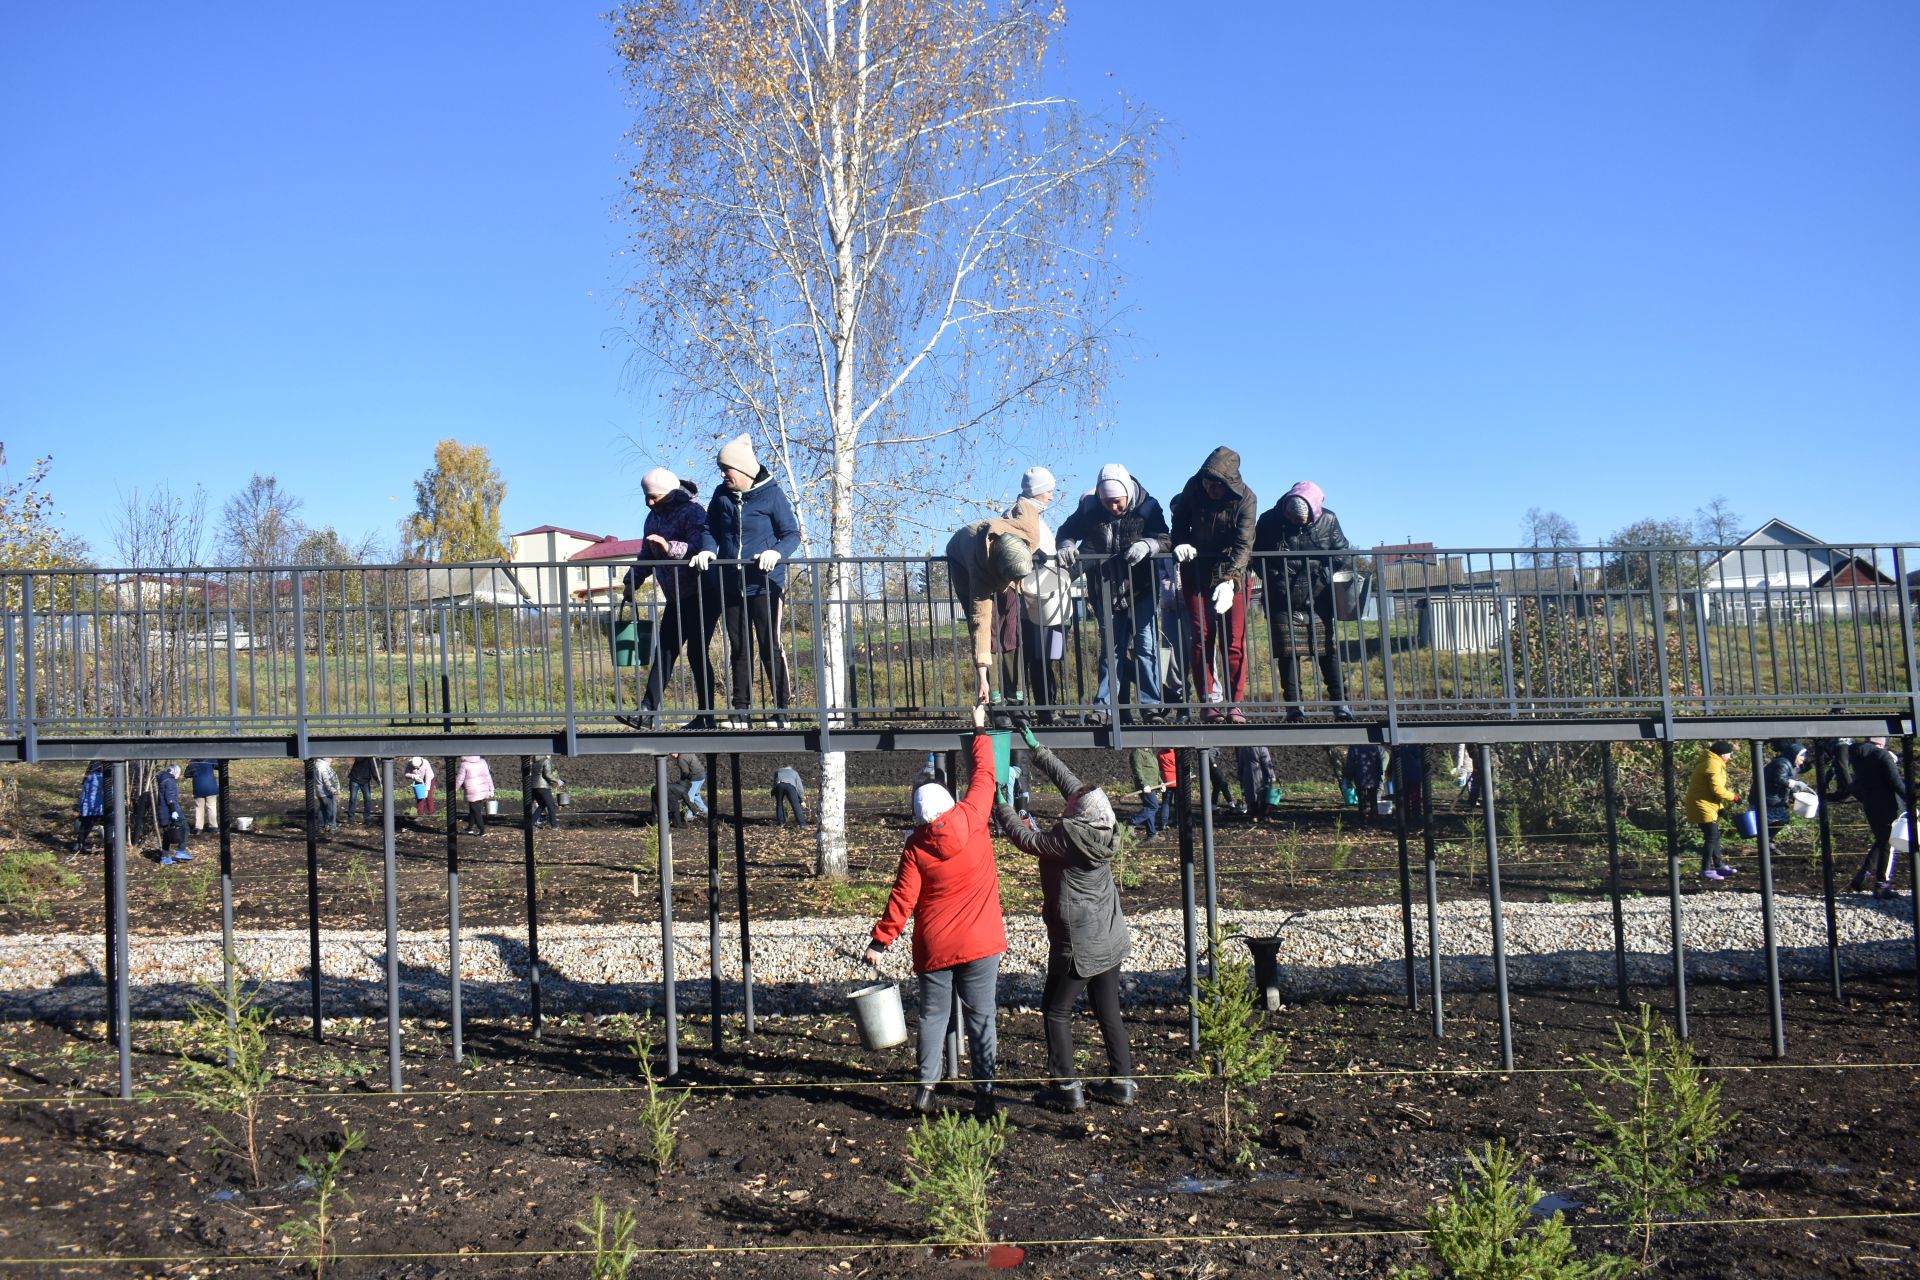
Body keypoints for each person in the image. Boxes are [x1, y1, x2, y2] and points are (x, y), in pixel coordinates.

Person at [863, 704, 1006, 1117]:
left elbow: (903, 898)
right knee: (982, 1018)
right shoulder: (973, 816)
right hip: (980, 943)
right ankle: (985, 1094)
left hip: (936, 946)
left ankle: (925, 1089)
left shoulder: (916, 846)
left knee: (932, 1016)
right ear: (949, 801)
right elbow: (985, 774)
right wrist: (979, 727)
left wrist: (880, 941)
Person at [994, 721, 1135, 1111]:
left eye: (1071, 807)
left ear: (1080, 816)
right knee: (1108, 1009)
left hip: (1079, 944)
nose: (1066, 803)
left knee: (1055, 1011)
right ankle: (1122, 1083)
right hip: (1110, 936)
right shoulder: (1100, 824)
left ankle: (1066, 1088)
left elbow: (1027, 840)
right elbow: (1070, 783)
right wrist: (1036, 747)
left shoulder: (1069, 838)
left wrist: (1001, 802)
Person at [691, 435, 801, 727]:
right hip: (730, 583)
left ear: (743, 471)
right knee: (739, 647)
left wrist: (775, 553)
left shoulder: (772, 494)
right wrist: (706, 549)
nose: (723, 474)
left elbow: (791, 534)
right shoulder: (721, 495)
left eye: (726, 469)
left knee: (770, 645)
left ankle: (781, 712)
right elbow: (708, 528)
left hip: (765, 583)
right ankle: (741, 712)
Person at [1056, 463, 1172, 722]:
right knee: (1112, 649)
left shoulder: (1148, 507)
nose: (1113, 507)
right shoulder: (1089, 509)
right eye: (1107, 502)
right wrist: (1065, 545)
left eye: (1118, 502)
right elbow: (1066, 532)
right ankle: (1104, 706)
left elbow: (1165, 538)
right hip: (1105, 590)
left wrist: (1148, 544)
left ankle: (1150, 705)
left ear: (1128, 495)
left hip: (1141, 588)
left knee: (1146, 647)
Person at [625, 467, 720, 729]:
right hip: (676, 597)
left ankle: (707, 717)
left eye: (654, 497)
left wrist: (669, 548)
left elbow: (701, 548)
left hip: (703, 593)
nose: (649, 502)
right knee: (665, 651)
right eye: (646, 497)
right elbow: (646, 556)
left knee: (696, 653)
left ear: (669, 493)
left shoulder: (693, 511)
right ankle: (646, 711)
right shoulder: (651, 519)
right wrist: (631, 581)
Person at [1253, 481, 1353, 721]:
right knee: (1288, 654)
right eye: (1293, 519)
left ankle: (1341, 705)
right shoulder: (1269, 520)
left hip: (1319, 597)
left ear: (1314, 511)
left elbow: (1342, 552)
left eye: (1304, 521)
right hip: (1281, 597)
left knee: (1328, 651)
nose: (1300, 524)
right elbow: (1256, 557)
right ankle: (1294, 707)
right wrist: (1274, 576)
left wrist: (1326, 574)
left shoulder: (1328, 520)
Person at [1170, 448, 1257, 722]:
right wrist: (1181, 543)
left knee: (1234, 640)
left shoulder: (1246, 498)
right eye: (1207, 483)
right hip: (1196, 569)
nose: (1209, 490)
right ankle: (1209, 701)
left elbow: (1245, 543)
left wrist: (1231, 580)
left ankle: (1235, 703)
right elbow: (1180, 521)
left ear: (1227, 484)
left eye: (1215, 486)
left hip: (1233, 571)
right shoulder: (1193, 487)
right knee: (1201, 637)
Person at [945, 501, 1044, 705]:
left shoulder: (1030, 533)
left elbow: (1025, 505)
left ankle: (1015, 691)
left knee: (1010, 622)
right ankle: (993, 691)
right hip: (961, 559)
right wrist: (981, 678)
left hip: (1004, 549)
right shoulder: (979, 572)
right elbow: (978, 627)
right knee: (988, 627)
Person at [1012, 467, 1070, 722]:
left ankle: (1042, 709)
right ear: (1038, 491)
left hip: (1039, 598)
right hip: (1028, 600)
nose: (1051, 496)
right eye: (1049, 490)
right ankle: (1038, 710)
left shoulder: (1033, 516)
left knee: (1041, 656)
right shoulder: (1021, 515)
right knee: (1034, 657)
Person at [1846, 736, 1908, 898]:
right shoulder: (1882, 756)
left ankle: (1862, 876)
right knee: (1889, 842)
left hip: (1871, 806)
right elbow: (1895, 782)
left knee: (1882, 840)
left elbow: (1856, 783)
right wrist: (1911, 798)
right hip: (1889, 806)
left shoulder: (1858, 757)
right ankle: (1882, 884)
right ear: (1882, 743)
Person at [1684, 741, 1742, 882]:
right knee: (1711, 836)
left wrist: (1720, 808)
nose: (1730, 756)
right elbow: (1717, 790)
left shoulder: (1712, 762)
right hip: (1701, 805)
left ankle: (1719, 866)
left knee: (1713, 835)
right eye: (1729, 753)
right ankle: (1706, 870)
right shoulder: (1713, 764)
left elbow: (1709, 791)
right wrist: (1734, 797)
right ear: (1722, 754)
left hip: (1705, 804)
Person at [1760, 741, 1815, 830]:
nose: (1801, 763)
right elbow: (1779, 779)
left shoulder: (1789, 765)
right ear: (1795, 755)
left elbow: (1786, 781)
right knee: (1780, 819)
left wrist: (1793, 792)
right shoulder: (1782, 764)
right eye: (1801, 760)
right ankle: (1767, 840)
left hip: (1773, 798)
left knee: (1781, 820)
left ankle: (1767, 839)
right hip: (1769, 799)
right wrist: (1795, 784)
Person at [1128, 747, 1173, 838]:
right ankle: (1131, 822)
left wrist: (1160, 782)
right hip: (1146, 786)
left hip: (1152, 785)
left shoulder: (1149, 752)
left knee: (1149, 808)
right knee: (1153, 806)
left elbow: (1155, 770)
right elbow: (1137, 770)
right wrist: (1144, 784)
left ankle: (1152, 834)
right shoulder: (1138, 753)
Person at [454, 755, 494, 837]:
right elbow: (488, 776)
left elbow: (460, 779)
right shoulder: (482, 762)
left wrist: (454, 789)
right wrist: (491, 789)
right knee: (473, 808)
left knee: (476, 810)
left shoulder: (464, 765)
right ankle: (470, 828)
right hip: (482, 788)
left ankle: (482, 830)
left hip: (472, 790)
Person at [1344, 744, 1384, 826]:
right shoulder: (1374, 746)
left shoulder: (1354, 747)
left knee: (1362, 799)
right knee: (1373, 799)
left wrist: (1348, 776)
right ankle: (1374, 818)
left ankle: (1363, 818)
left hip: (1360, 776)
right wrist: (1380, 773)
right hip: (1373, 776)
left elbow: (1350, 763)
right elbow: (1378, 760)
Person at [156, 764, 188, 864]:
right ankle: (181, 850)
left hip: (163, 812)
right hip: (171, 811)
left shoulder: (163, 780)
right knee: (185, 828)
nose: (179, 775)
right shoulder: (170, 781)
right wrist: (173, 811)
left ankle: (164, 857)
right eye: (179, 772)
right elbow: (170, 797)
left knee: (167, 834)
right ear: (174, 772)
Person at [74, 761, 108, 853]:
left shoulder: (89, 777)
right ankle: (108, 845)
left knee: (86, 825)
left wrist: (81, 806)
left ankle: (80, 843)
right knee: (104, 824)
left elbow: (84, 793)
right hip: (99, 808)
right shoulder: (106, 778)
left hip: (88, 807)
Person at [1238, 745, 1276, 821]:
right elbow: (1266, 763)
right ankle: (1265, 815)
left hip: (1247, 774)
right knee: (1264, 795)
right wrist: (1272, 775)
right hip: (1260, 774)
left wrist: (1240, 775)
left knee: (1251, 795)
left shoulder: (1244, 748)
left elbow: (1241, 763)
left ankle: (1254, 815)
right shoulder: (1262, 748)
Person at [1394, 744, 1429, 824]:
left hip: (1404, 775)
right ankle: (1415, 814)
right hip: (1414, 775)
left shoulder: (1399, 747)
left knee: (1406, 796)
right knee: (1414, 796)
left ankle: (1406, 814)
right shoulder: (1415, 746)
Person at [185, 760, 220, 837]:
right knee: (211, 807)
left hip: (198, 788)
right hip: (211, 787)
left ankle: (198, 828)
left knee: (199, 808)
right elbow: (219, 766)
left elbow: (186, 774)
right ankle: (213, 826)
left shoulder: (192, 762)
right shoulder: (210, 759)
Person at [530, 755, 563, 829]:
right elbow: (548, 775)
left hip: (534, 786)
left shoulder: (535, 761)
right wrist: (558, 781)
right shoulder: (546, 761)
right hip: (543, 786)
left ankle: (530, 823)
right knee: (551, 805)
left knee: (542, 804)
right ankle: (554, 825)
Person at [671, 752, 708, 817]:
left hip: (695, 777)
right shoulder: (688, 752)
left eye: (673, 753)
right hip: (702, 775)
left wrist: (682, 781)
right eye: (671, 754)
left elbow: (685, 772)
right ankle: (705, 810)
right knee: (696, 794)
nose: (672, 755)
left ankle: (689, 815)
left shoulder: (681, 759)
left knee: (688, 797)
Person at [345, 757, 379, 825]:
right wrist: (378, 780)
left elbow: (373, 770)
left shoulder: (371, 759)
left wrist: (378, 779)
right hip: (355, 778)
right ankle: (351, 818)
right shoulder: (365, 757)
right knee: (353, 799)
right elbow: (373, 770)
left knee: (367, 799)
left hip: (365, 781)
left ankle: (366, 817)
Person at [313, 758, 340, 834]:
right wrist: (335, 792)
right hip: (327, 793)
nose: (332, 758)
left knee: (322, 809)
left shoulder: (317, 766)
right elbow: (328, 782)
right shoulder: (324, 768)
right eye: (330, 757)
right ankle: (333, 827)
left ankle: (321, 827)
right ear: (326, 758)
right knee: (332, 811)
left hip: (320, 792)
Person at [405, 756, 435, 821]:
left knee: (428, 796)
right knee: (420, 797)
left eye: (418, 766)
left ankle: (431, 814)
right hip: (418, 780)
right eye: (415, 767)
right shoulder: (410, 763)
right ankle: (420, 815)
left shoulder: (426, 763)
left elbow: (428, 778)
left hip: (429, 779)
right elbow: (406, 774)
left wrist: (426, 790)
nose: (417, 768)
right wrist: (413, 776)